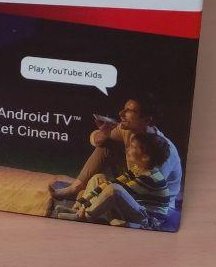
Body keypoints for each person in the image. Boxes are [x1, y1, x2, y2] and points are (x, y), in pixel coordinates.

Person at [50, 95, 182, 226]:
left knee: (113, 190)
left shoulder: (159, 150)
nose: (121, 113)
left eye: (130, 111)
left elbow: (130, 191)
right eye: (124, 108)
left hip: (147, 207)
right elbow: (97, 141)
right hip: (132, 192)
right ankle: (78, 205)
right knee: (99, 176)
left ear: (147, 120)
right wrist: (105, 132)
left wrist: (97, 195)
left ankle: (86, 215)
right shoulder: (129, 132)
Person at [73, 130, 176, 228]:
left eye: (133, 147)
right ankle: (80, 208)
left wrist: (89, 201)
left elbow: (115, 191)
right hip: (134, 210)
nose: (128, 149)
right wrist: (85, 200)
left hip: (147, 219)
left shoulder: (149, 178)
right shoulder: (138, 169)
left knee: (115, 190)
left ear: (145, 157)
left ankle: (86, 215)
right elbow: (112, 183)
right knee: (98, 178)